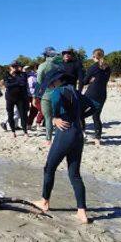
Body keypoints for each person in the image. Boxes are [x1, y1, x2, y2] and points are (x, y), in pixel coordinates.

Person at [32, 70, 89, 224]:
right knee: (75, 174)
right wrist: (80, 117)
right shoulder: (75, 91)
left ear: (56, 81)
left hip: (65, 134)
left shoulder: (58, 91)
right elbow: (94, 105)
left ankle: (44, 202)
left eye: (51, 82)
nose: (50, 84)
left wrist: (56, 117)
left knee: (49, 168)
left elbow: (55, 104)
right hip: (78, 134)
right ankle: (82, 212)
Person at [81, 48, 111, 145]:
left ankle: (82, 133)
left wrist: (90, 80)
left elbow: (84, 81)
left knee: (80, 113)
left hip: (91, 94)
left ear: (94, 56)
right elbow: (105, 80)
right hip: (102, 95)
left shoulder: (93, 67)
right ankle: (97, 138)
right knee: (96, 116)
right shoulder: (108, 68)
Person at [35, 46, 64, 146]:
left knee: (48, 118)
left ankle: (48, 140)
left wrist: (36, 96)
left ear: (45, 55)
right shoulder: (60, 66)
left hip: (46, 94)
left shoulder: (43, 66)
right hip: (59, 93)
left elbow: (38, 81)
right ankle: (61, 138)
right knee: (60, 116)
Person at [2, 62, 29, 137]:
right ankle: (13, 131)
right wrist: (17, 82)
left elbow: (23, 83)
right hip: (10, 98)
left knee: (23, 115)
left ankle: (25, 132)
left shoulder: (22, 74)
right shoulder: (6, 75)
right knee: (10, 115)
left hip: (20, 98)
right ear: (10, 67)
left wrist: (13, 83)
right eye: (13, 66)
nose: (15, 68)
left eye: (16, 66)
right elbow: (7, 85)